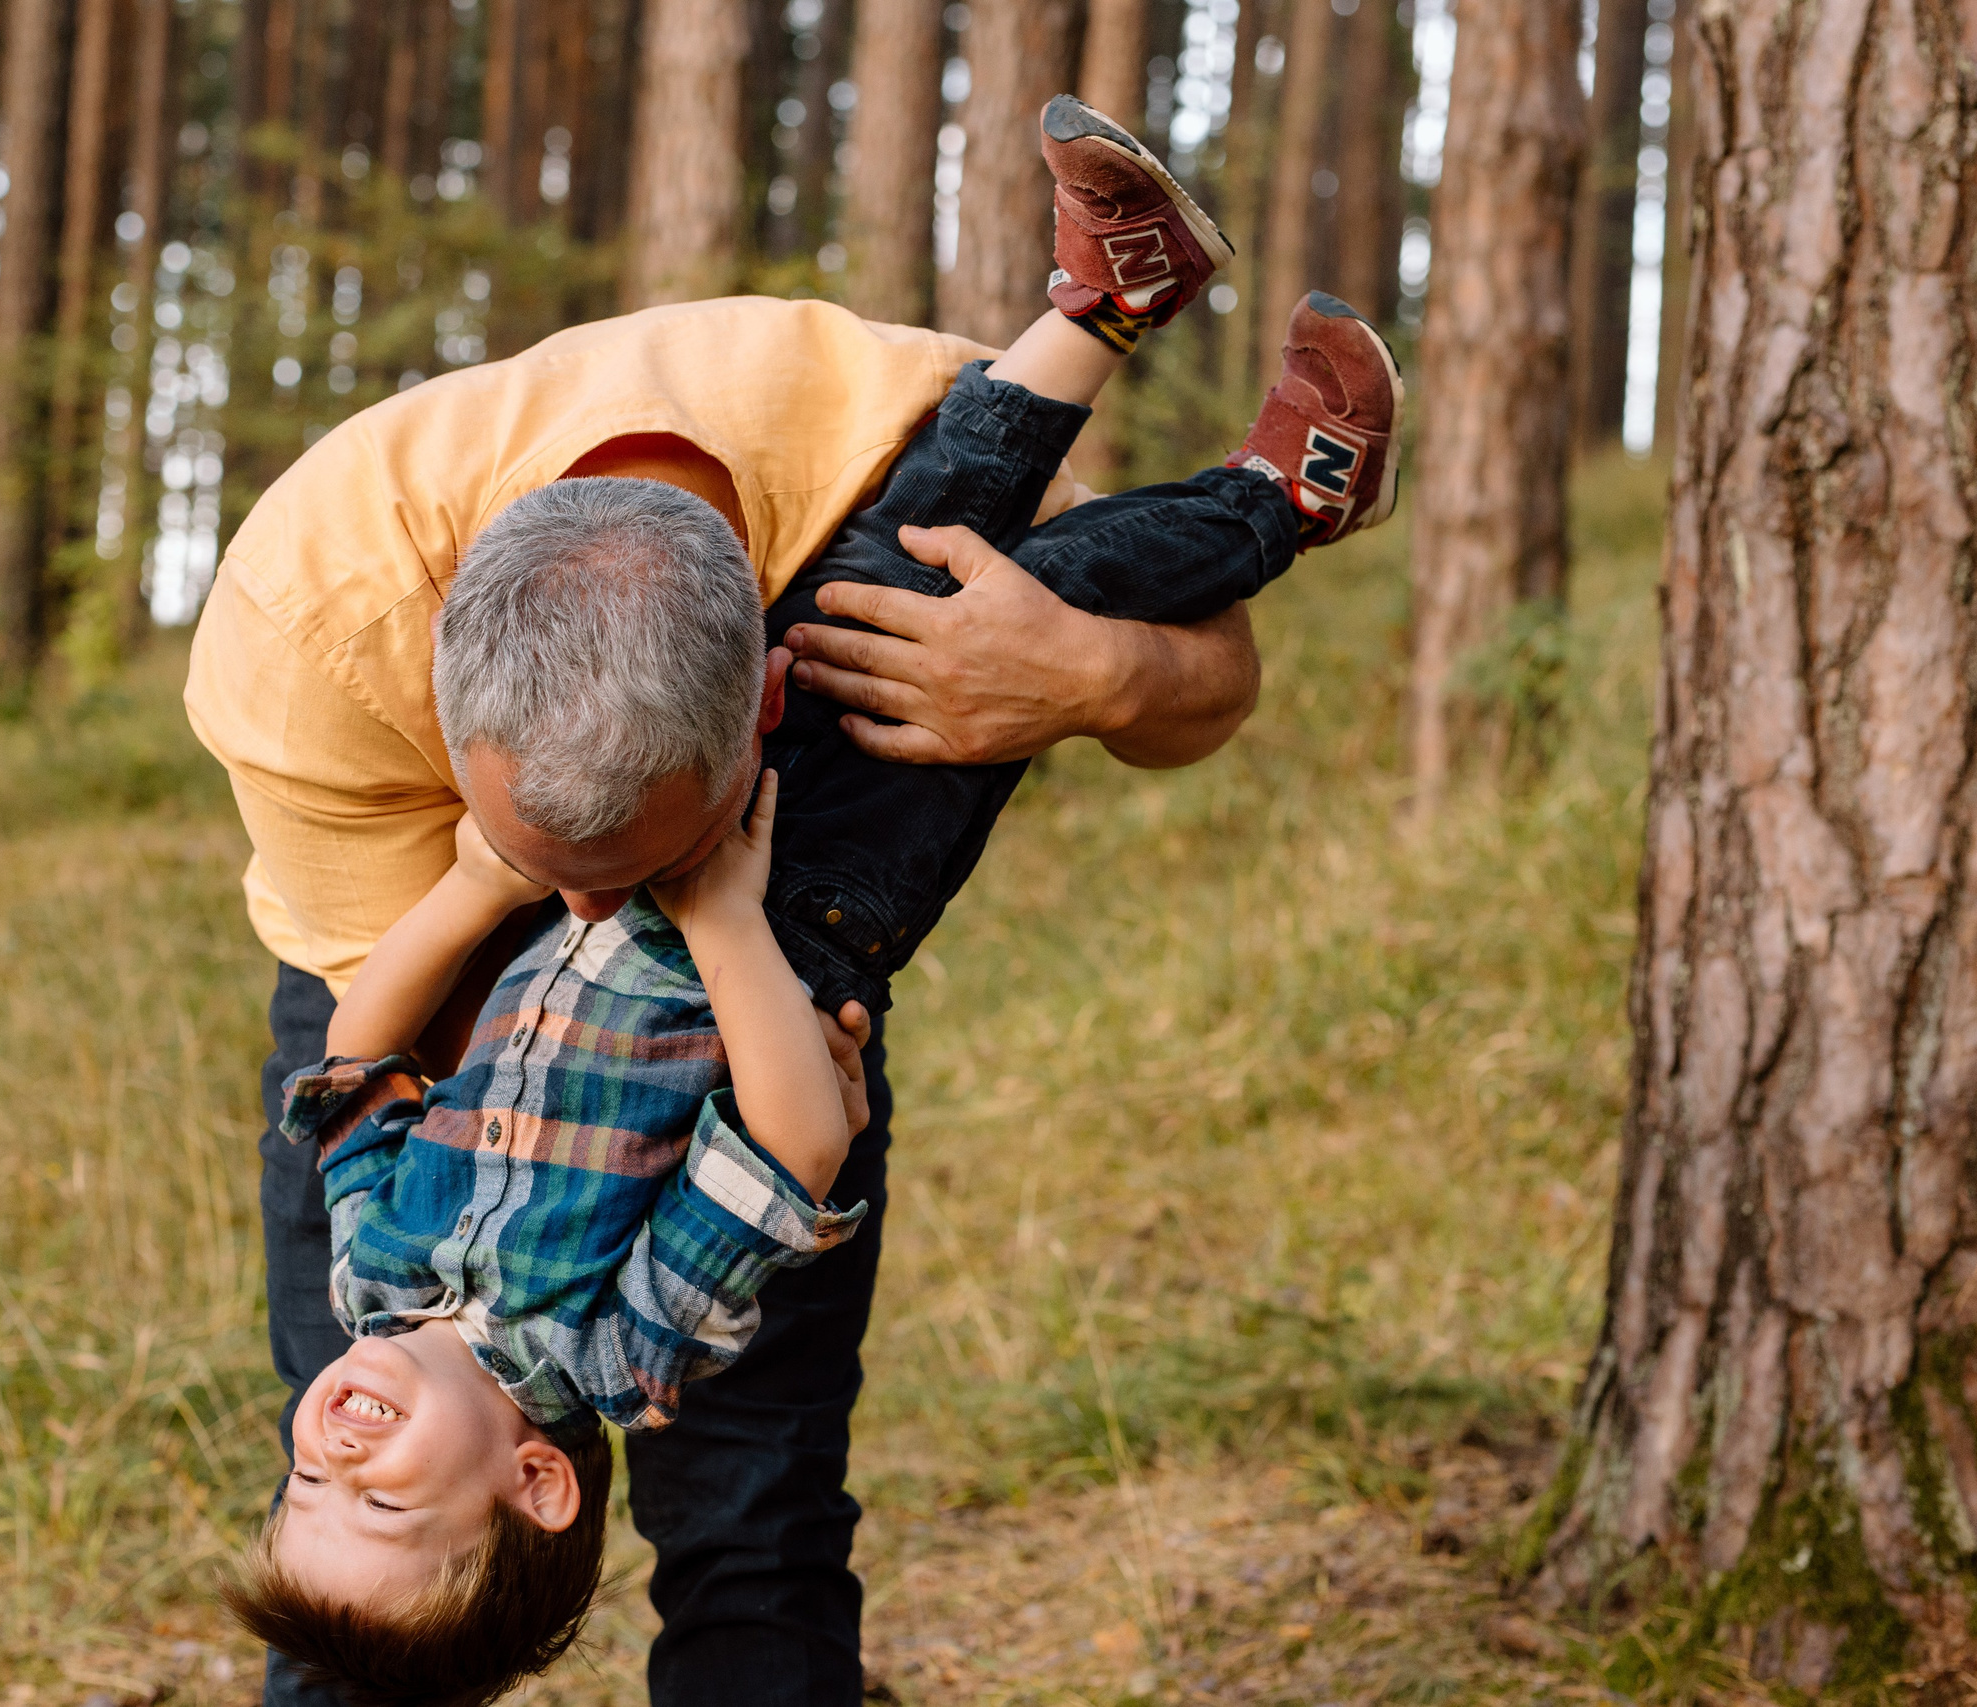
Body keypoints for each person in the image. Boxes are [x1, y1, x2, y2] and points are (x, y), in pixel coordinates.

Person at [186, 92, 1398, 1707]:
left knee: (938, 577)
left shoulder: (380, 1278)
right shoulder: (623, 1352)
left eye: (307, 1484)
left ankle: (1111, 312)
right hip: (782, 932)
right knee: (382, 1648)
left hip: (676, 857)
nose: (325, 1453)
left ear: (754, 697)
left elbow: (350, 1074)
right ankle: (1275, 495)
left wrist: (1079, 675)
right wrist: (718, 914)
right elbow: (786, 1146)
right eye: (367, 1495)